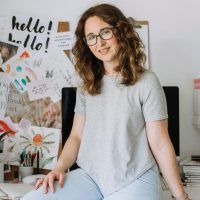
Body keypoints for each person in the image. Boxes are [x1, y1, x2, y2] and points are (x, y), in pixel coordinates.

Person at [22, 3, 190, 200]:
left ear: (120, 32)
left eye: (105, 32)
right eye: (91, 37)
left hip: (134, 177)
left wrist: (180, 195)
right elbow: (76, 137)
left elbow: (160, 144)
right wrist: (58, 168)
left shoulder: (146, 81)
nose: (99, 43)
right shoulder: (87, 84)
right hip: (91, 176)